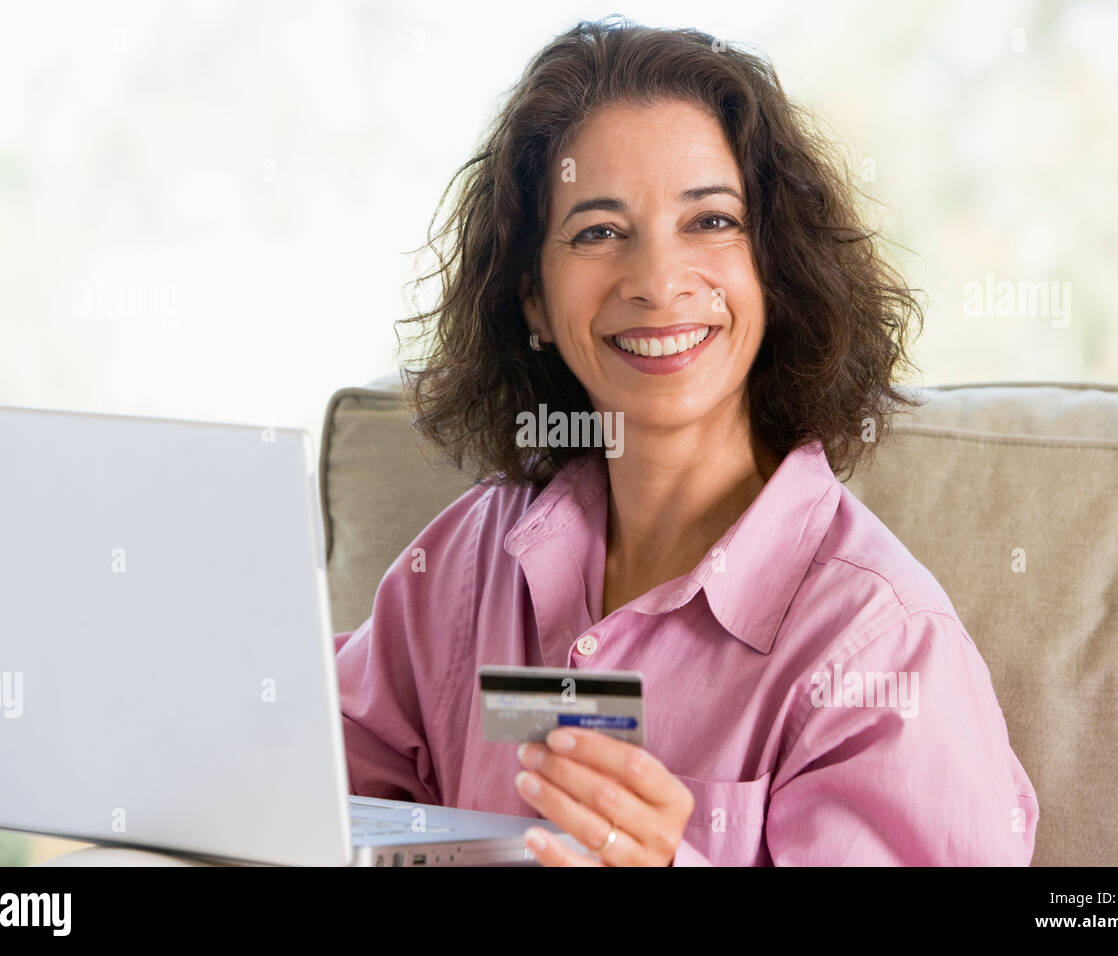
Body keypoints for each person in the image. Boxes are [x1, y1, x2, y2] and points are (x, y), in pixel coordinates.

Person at [332, 16, 1038, 866]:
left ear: (771, 266)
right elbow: (308, 790)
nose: (660, 282)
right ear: (531, 301)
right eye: (597, 231)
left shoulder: (886, 645)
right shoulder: (462, 565)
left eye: (710, 221)